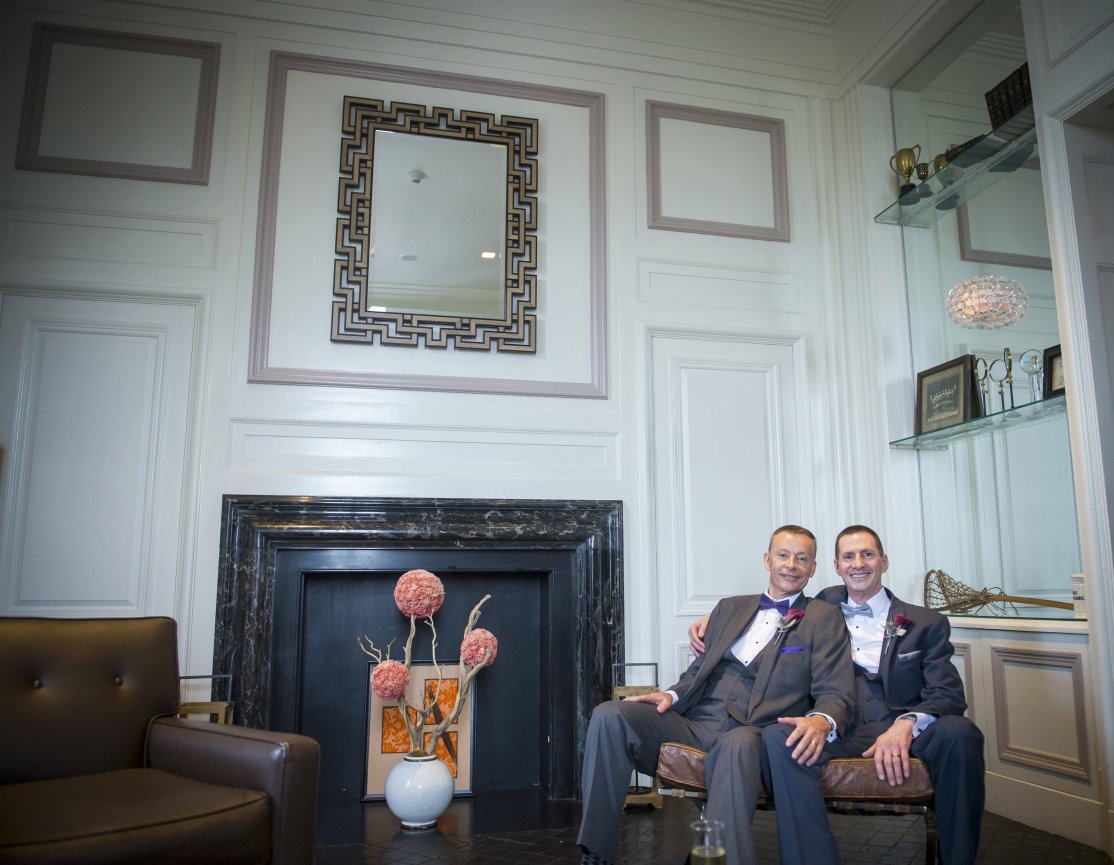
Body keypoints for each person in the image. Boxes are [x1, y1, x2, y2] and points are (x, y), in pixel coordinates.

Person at [689, 524, 985, 865]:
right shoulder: (821, 606)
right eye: (848, 557)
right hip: (840, 727)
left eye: (867, 555)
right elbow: (770, 605)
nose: (858, 564)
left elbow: (948, 693)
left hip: (904, 726)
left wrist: (906, 724)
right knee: (779, 736)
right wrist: (715, 618)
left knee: (960, 732)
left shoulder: (926, 623)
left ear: (884, 561)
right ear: (836, 566)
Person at [577, 525, 855, 865]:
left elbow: (835, 689)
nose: (791, 565)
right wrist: (671, 695)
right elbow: (699, 670)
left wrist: (822, 720)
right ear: (767, 559)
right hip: (696, 722)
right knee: (610, 715)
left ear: (813, 568)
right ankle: (595, 853)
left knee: (737, 743)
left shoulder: (823, 617)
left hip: (753, 731)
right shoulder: (729, 608)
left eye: (802, 559)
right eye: (783, 555)